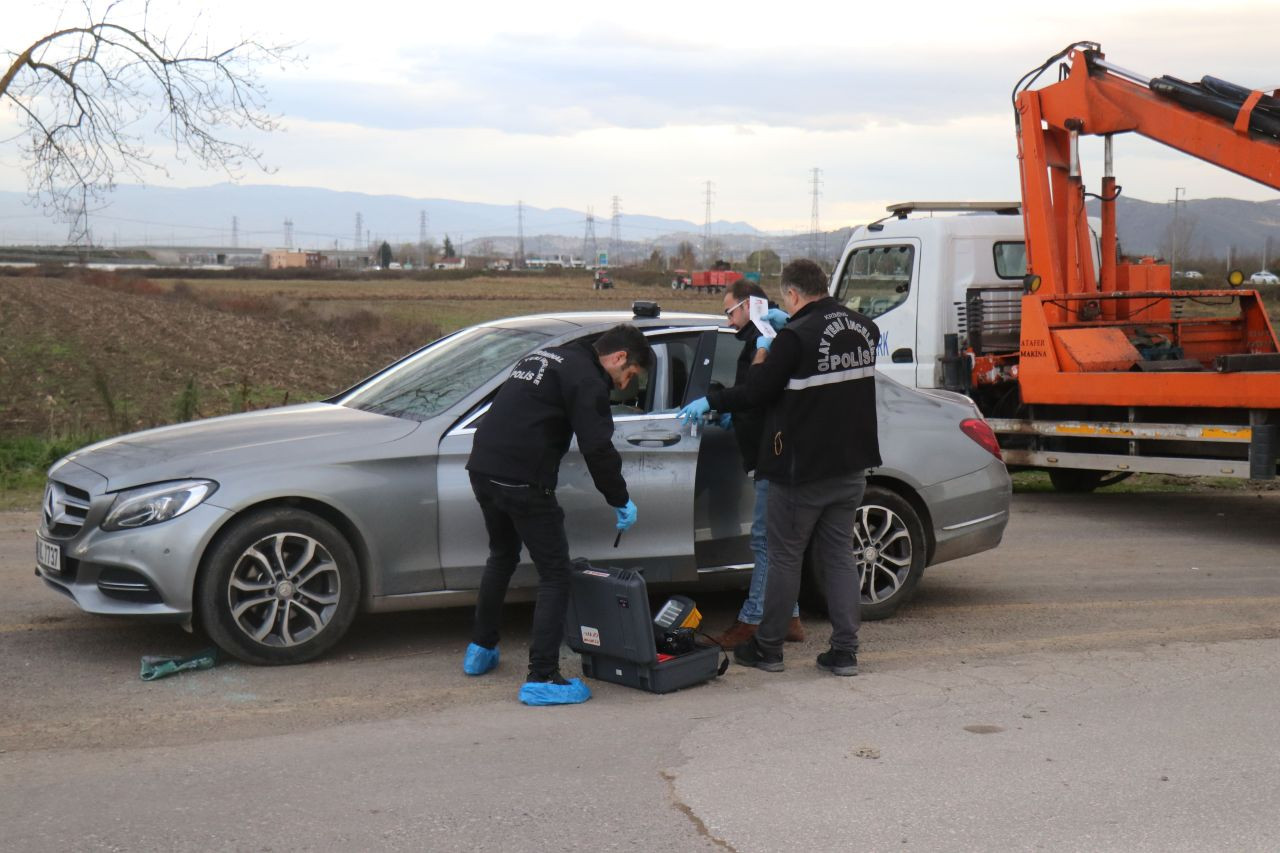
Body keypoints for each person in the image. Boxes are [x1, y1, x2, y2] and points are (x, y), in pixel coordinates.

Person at [681, 259, 880, 677]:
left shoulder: (793, 337)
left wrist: (762, 350)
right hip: (851, 467)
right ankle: (845, 652)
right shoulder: (865, 328)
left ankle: (768, 648)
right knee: (840, 558)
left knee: (784, 557)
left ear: (791, 295)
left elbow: (756, 391)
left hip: (802, 469)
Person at [463, 324, 654, 704]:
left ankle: (480, 650)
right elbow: (597, 447)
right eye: (629, 375)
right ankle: (543, 677)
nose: (623, 386)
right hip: (522, 480)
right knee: (555, 574)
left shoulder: (553, 356)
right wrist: (619, 498)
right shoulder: (587, 379)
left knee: (501, 556)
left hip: (482, 469)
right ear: (619, 358)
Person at [697, 279, 804, 649]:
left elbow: (758, 392)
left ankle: (753, 619)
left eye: (730, 312)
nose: (728, 322)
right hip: (765, 455)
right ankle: (790, 617)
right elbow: (753, 399)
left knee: (765, 541)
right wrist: (733, 413)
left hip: (773, 457)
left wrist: (717, 403)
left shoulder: (773, 342)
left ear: (749, 305)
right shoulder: (758, 341)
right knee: (776, 541)